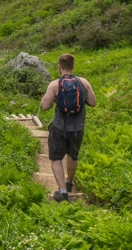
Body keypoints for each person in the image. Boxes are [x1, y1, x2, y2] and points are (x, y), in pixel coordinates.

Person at [40, 53, 96, 202]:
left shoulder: (54, 85)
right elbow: (93, 102)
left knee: (56, 158)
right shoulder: (84, 82)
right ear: (73, 67)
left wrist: (53, 101)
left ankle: (63, 191)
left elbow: (44, 106)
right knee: (73, 155)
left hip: (59, 127)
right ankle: (69, 182)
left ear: (59, 67)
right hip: (78, 128)